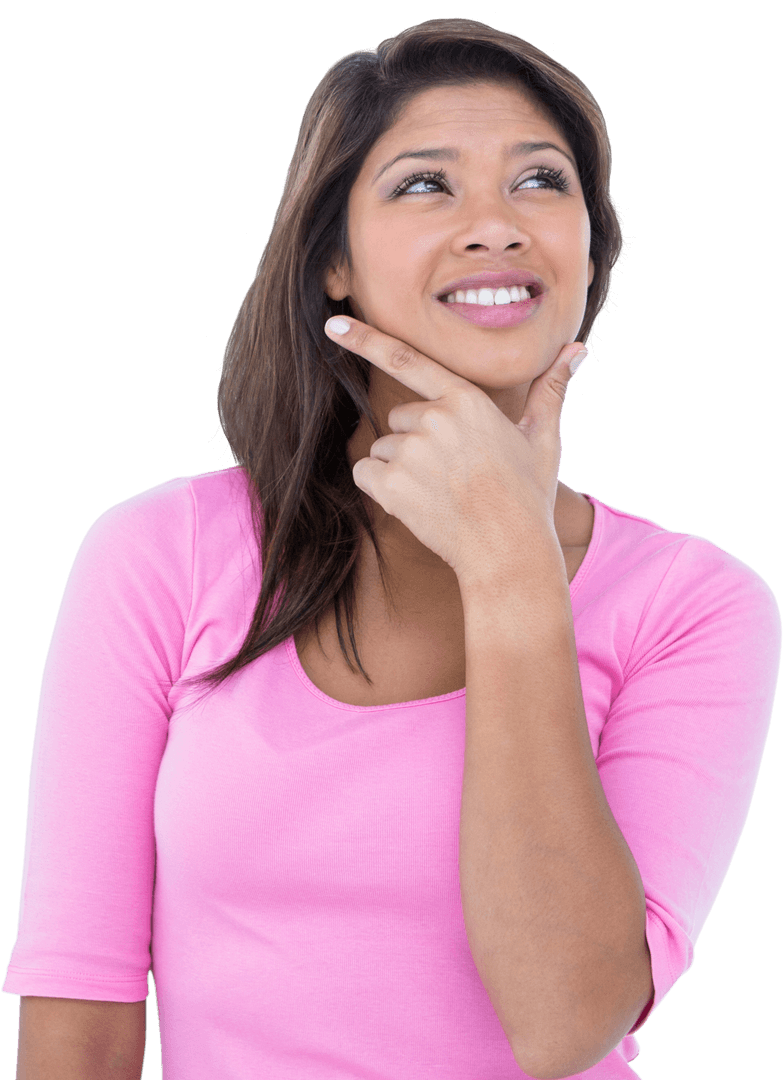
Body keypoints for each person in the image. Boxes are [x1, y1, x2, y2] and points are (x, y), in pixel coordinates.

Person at [4, 17, 781, 1080]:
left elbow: (566, 1024)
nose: (496, 227)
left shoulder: (697, 604)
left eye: (541, 182)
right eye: (426, 185)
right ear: (332, 260)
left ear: (588, 247)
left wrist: (512, 571)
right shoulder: (162, 553)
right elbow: (76, 1031)